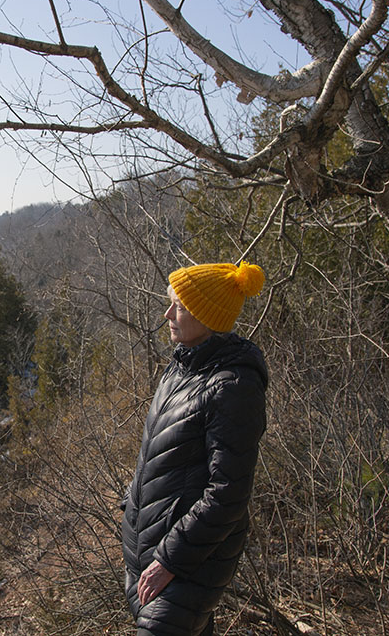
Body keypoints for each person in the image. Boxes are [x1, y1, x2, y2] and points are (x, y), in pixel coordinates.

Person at [121, 261, 268, 636]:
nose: (168, 314)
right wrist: (133, 507)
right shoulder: (181, 368)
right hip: (149, 547)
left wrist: (171, 559)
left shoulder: (233, 386)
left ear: (207, 315)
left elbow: (229, 493)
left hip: (188, 559)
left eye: (180, 306)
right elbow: (160, 452)